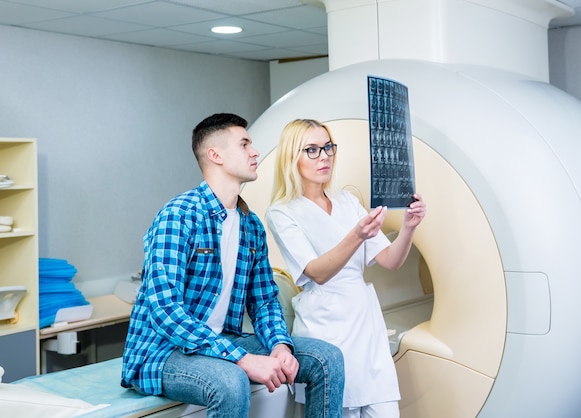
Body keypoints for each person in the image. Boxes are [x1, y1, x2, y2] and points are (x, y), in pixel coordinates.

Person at [120, 113, 344, 418]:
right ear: (216, 155)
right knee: (231, 381)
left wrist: (280, 345)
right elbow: (165, 311)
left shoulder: (251, 224)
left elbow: (264, 301)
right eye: (245, 144)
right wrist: (243, 358)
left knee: (326, 359)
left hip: (221, 341)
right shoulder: (178, 215)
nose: (255, 152)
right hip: (161, 351)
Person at [266, 119, 427, 418]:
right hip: (326, 327)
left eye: (327, 147)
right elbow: (316, 272)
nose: (324, 156)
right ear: (292, 157)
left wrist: (409, 227)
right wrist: (357, 235)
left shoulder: (346, 201)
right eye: (312, 150)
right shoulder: (282, 212)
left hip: (365, 324)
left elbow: (391, 261)